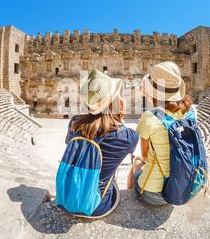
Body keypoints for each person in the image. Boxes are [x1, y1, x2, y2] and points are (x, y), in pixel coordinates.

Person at [64, 70, 138, 218]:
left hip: (67, 197)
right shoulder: (129, 137)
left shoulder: (74, 123)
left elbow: (71, 145)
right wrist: (120, 116)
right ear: (116, 101)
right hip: (97, 206)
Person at [127, 61, 196, 206]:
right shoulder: (191, 113)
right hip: (182, 188)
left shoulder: (150, 117)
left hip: (154, 194)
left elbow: (145, 155)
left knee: (137, 162)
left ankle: (129, 199)